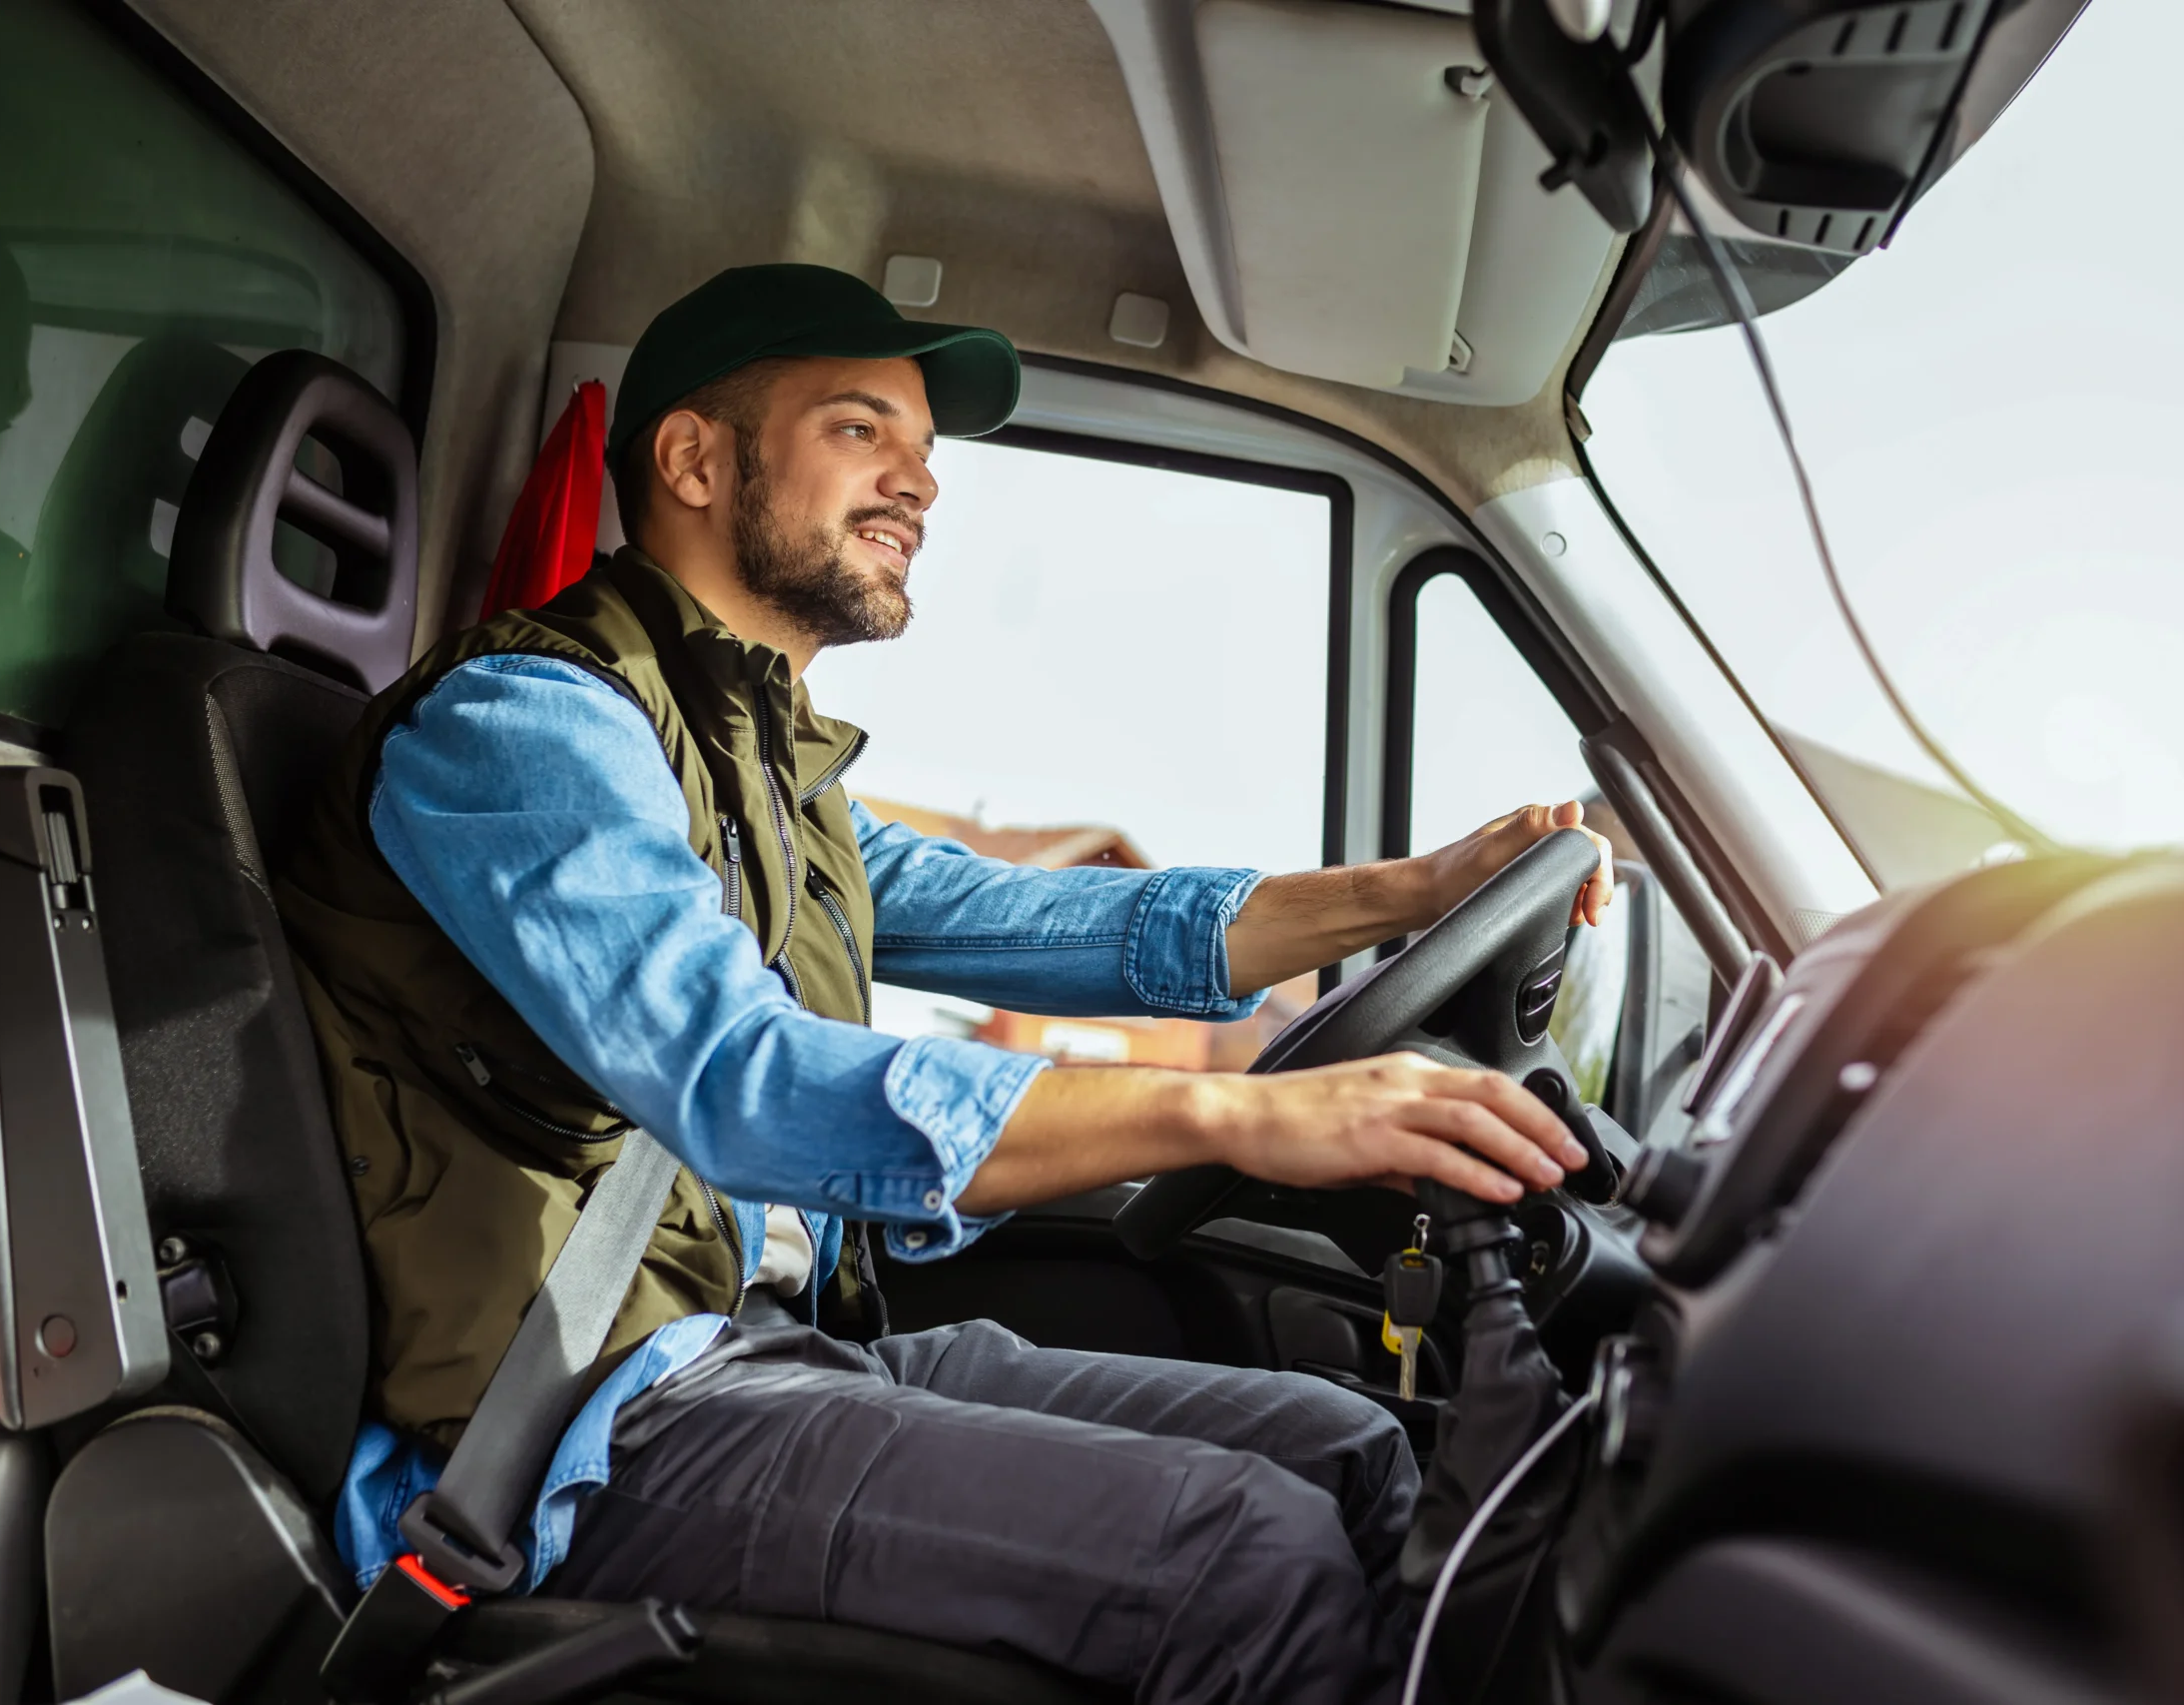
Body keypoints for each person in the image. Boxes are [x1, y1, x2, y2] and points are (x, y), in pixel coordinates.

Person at [276, 263, 1612, 1705]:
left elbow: (1069, 923)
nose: (920, 483)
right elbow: (744, 1084)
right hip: (585, 1428)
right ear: (695, 460)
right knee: (1252, 1560)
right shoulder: (518, 729)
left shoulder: (769, 780)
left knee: (1353, 1453)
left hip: (778, 1351)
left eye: (923, 450)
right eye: (862, 429)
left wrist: (1415, 890)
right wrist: (1239, 1115)